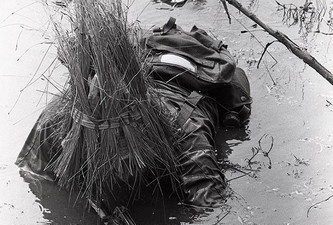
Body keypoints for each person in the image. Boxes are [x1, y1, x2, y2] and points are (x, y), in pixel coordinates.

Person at [16, 15, 252, 208]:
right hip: (148, 56)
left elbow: (212, 204)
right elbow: (34, 176)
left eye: (122, 142)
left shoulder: (183, 129)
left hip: (186, 79)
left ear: (141, 129)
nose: (115, 153)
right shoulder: (57, 120)